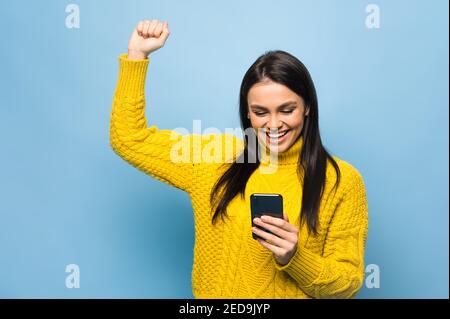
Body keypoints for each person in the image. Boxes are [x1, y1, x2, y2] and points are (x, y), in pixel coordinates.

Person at [110, 19, 369, 298]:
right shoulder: (214, 158)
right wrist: (137, 55)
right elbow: (129, 138)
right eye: (260, 112)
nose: (273, 123)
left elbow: (347, 284)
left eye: (286, 110)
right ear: (247, 113)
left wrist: (293, 257)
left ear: (307, 107)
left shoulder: (341, 181)